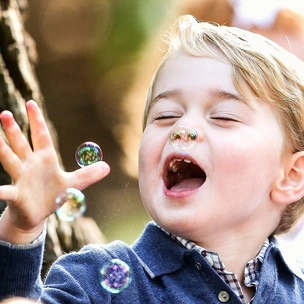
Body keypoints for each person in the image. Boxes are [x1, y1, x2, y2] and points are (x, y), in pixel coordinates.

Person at [1, 14, 304, 303]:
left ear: (291, 176)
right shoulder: (95, 284)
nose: (182, 128)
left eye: (223, 116)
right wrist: (20, 231)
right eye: (165, 115)